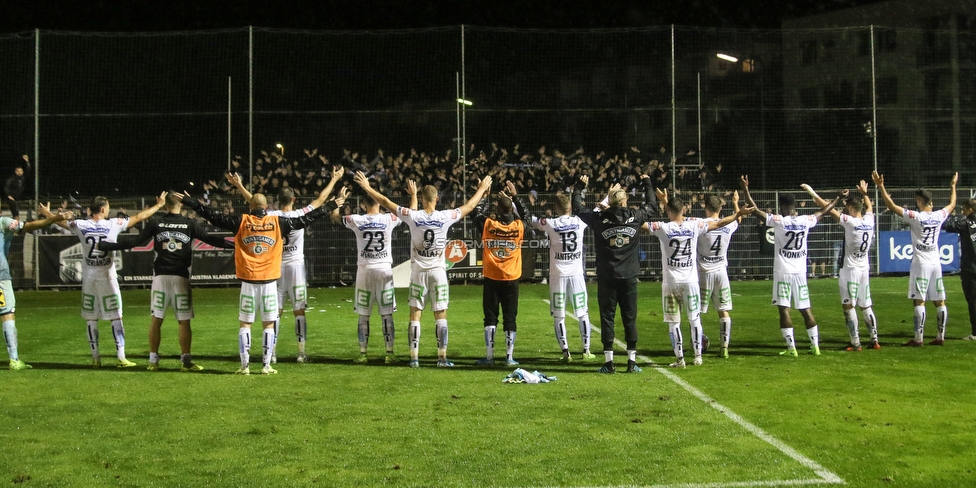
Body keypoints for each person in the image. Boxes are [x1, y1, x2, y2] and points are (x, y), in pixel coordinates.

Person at [175, 180, 343, 375]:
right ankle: (266, 365)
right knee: (268, 324)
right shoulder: (277, 222)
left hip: (248, 280)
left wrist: (192, 203)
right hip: (270, 281)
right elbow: (306, 219)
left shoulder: (242, 221)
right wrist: (331, 205)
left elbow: (213, 216)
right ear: (266, 207)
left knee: (245, 323)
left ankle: (245, 366)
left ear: (250, 207)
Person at [353, 170, 492, 368]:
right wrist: (482, 189)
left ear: (422, 198)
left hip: (418, 272)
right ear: (437, 198)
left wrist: (367, 187)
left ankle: (414, 358)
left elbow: (384, 201)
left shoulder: (413, 215)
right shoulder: (445, 216)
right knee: (440, 313)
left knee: (415, 314)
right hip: (438, 272)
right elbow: (470, 206)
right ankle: (442, 358)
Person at [97, 192, 234, 372]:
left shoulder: (156, 223)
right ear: (182, 205)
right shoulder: (189, 224)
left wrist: (108, 246)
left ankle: (153, 360)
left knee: (156, 319)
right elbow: (211, 239)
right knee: (184, 321)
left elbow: (135, 241)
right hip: (180, 277)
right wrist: (237, 244)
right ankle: (185, 361)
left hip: (160, 277)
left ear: (165, 204)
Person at [227, 168, 343, 363]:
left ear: (277, 201)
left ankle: (272, 353)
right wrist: (334, 180)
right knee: (299, 311)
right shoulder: (299, 214)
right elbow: (321, 200)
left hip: (276, 267)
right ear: (294, 199)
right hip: (296, 267)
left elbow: (254, 202)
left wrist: (239, 185)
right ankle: (300, 353)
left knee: (276, 311)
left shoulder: (271, 216)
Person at [41, 193, 167, 368]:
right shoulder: (113, 224)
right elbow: (139, 217)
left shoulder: (81, 224)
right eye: (107, 207)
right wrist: (159, 205)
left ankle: (96, 359)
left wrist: (48, 214)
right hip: (107, 277)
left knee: (91, 318)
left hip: (89, 278)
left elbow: (61, 222)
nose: (109, 210)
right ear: (102, 209)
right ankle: (121, 357)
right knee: (116, 317)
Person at [740, 176, 845, 357]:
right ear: (794, 206)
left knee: (784, 308)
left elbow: (754, 210)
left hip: (783, 271)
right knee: (805, 308)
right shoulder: (805, 220)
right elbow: (825, 211)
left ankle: (792, 349)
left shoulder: (779, 221)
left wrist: (745, 189)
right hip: (800, 272)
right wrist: (837, 198)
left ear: (781, 206)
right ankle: (815, 346)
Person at [648, 189, 753, 367]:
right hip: (707, 275)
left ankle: (680, 358)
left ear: (705, 207)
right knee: (698, 316)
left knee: (675, 321)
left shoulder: (672, 227)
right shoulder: (698, 225)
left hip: (683, 278)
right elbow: (722, 223)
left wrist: (662, 203)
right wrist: (738, 211)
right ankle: (704, 354)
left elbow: (669, 218)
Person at [573, 174, 656, 374]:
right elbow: (652, 204)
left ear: (610, 200)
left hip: (607, 276)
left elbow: (577, 207)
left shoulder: (599, 218)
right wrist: (647, 182)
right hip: (629, 276)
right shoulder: (635, 217)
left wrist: (579, 187)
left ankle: (609, 362)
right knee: (630, 317)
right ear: (625, 200)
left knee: (607, 317)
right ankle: (631, 362)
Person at [873, 170, 957, 346]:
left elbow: (892, 206)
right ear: (930, 202)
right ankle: (940, 336)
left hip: (920, 263)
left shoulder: (915, 216)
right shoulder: (938, 215)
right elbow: (952, 204)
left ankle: (918, 338)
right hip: (936, 262)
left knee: (919, 300)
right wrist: (953, 186)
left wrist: (881, 186)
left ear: (919, 201)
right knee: (939, 300)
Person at [802, 181, 880, 351]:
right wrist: (865, 193)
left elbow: (827, 208)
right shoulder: (870, 219)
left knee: (848, 306)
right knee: (866, 305)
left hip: (850, 269)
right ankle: (874, 339)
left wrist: (812, 192)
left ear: (851, 208)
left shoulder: (850, 222)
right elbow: (869, 207)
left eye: (847, 208)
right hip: (864, 268)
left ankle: (855, 342)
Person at [331, 184, 403, 364]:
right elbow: (412, 213)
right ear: (379, 201)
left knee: (364, 314)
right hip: (384, 269)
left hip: (364, 270)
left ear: (363, 204)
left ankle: (363, 353)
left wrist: (339, 200)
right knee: (387, 314)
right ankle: (390, 353)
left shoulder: (356, 219)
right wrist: (414, 195)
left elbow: (334, 216)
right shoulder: (390, 219)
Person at [2, 203, 72, 370]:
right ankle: (14, 359)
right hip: (0, 276)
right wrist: (55, 218)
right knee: (7, 314)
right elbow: (29, 226)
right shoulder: (3, 222)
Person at [530, 192, 595, 363]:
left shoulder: (550, 223)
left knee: (559, 315)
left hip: (557, 276)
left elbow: (530, 218)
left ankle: (566, 353)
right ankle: (586, 350)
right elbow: (596, 210)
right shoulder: (580, 221)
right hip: (576, 275)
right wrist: (608, 198)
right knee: (583, 313)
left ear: (556, 208)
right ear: (571, 208)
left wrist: (514, 200)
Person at [473, 181, 527, 366]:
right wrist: (516, 197)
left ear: (498, 209)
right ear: (511, 209)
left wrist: (485, 196)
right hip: (512, 278)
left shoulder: (488, 225)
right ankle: (509, 357)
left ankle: (489, 357)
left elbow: (476, 213)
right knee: (510, 318)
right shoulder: (519, 227)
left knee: (490, 317)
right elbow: (527, 215)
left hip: (492, 277)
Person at [695, 191, 744, 359]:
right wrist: (736, 202)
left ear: (706, 208)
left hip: (703, 272)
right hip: (721, 272)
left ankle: (700, 342)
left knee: (697, 312)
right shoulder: (728, 224)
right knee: (723, 311)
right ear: (720, 208)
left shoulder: (702, 224)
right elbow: (738, 219)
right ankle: (724, 347)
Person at [943, 198, 976, 341]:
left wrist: (951, 213)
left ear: (970, 209)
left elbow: (947, 225)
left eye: (964, 209)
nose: (963, 212)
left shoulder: (965, 223)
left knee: (973, 300)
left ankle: (975, 332)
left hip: (970, 268)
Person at [4, 155, 30, 220]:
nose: (19, 173)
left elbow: (28, 170)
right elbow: (6, 187)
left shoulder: (23, 178)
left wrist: (27, 162)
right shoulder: (12, 179)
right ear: (15, 172)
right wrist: (8, 195)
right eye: (18, 171)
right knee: (12, 203)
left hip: (20, 196)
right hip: (12, 196)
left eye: (21, 171)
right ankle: (16, 217)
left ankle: (20, 217)